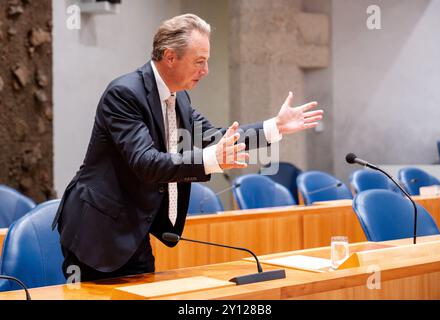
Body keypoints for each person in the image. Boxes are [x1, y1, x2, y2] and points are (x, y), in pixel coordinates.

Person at [52, 14, 323, 282]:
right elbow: (147, 163)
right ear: (170, 57)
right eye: (199, 62)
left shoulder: (179, 98)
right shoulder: (124, 94)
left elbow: (215, 137)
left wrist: (275, 126)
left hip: (135, 228)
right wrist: (211, 160)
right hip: (97, 231)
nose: (205, 71)